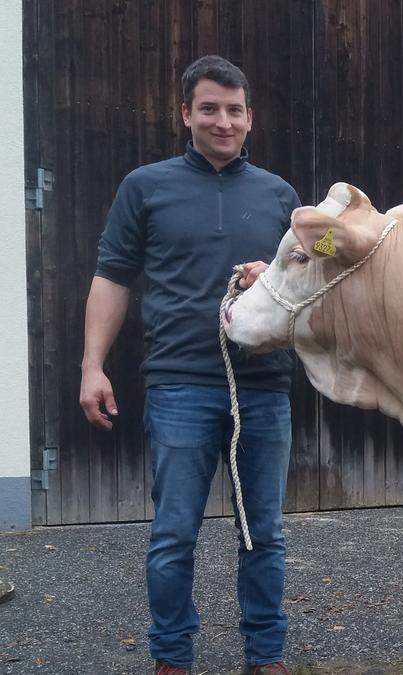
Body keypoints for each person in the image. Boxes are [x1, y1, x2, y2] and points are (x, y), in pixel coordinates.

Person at [79, 55, 298, 675]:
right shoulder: (145, 186)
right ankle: (172, 659)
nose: (222, 121)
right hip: (179, 387)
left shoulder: (281, 196)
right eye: (209, 108)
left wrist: (273, 274)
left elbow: (314, 285)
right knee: (175, 536)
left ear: (250, 117)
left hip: (264, 387)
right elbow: (112, 277)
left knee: (264, 536)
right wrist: (93, 366)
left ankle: (266, 658)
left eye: (234, 110)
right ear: (186, 114)